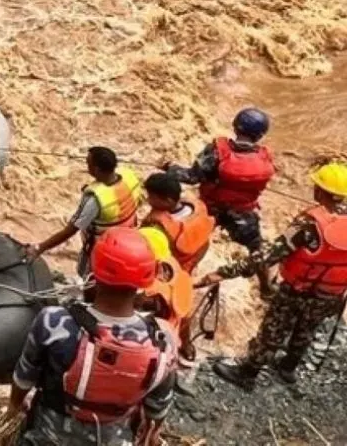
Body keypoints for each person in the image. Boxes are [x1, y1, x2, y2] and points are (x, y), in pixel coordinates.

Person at [6, 229, 177, 446]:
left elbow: (24, 377)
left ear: (92, 270)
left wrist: (14, 407)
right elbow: (157, 408)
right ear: (147, 280)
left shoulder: (54, 322)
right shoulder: (164, 340)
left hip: (47, 435)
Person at [197, 162, 347, 390]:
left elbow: (268, 257)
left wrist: (223, 273)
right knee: (307, 328)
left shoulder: (309, 225)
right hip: (331, 294)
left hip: (297, 290)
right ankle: (288, 368)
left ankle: (247, 374)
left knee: (273, 331)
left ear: (320, 191)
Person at [163, 107, 275, 296]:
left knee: (190, 242)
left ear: (235, 126)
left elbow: (191, 177)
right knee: (257, 250)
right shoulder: (265, 155)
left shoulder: (217, 150)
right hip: (243, 212)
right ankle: (266, 288)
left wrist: (169, 167)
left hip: (210, 208)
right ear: (261, 135)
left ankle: (175, 280)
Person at [25, 147, 144, 278]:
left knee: (89, 280)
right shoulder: (129, 175)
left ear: (97, 169)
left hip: (103, 252)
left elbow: (70, 230)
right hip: (128, 244)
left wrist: (39, 248)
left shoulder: (94, 200)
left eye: (88, 163)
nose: (86, 167)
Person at [138, 226, 197, 361]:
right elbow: (185, 315)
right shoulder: (174, 267)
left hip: (155, 347)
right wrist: (186, 344)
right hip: (173, 337)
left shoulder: (149, 296)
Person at [139, 171, 215, 274]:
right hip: (195, 257)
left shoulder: (158, 227)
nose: (148, 200)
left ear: (168, 201)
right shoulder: (198, 207)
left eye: (152, 197)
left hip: (174, 267)